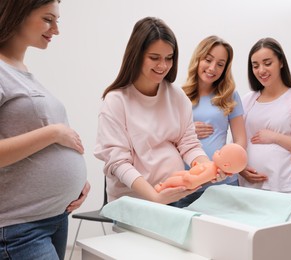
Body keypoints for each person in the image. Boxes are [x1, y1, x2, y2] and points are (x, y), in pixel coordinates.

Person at [94, 17, 224, 206]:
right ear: (136, 55)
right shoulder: (116, 101)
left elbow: (189, 145)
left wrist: (207, 168)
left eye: (169, 58)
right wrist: (154, 196)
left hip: (176, 197)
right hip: (135, 203)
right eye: (154, 58)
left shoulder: (177, 96)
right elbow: (118, 164)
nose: (163, 66)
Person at [0, 0, 90, 259]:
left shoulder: (23, 73)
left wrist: (77, 184)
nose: (56, 30)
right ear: (18, 13)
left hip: (56, 217)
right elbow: (50, 135)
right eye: (48, 19)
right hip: (20, 228)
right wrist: (54, 133)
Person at [239, 37, 291, 198]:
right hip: (251, 188)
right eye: (255, 66)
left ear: (281, 62)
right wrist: (241, 169)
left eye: (267, 63)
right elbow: (238, 142)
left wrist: (275, 137)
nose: (261, 70)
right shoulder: (247, 101)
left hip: (288, 187)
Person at [173, 35, 246, 207]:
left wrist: (228, 167)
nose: (212, 68)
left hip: (223, 183)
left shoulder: (230, 96)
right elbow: (165, 138)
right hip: (188, 184)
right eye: (208, 60)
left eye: (220, 64)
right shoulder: (178, 96)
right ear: (198, 59)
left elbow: (240, 140)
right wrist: (187, 130)